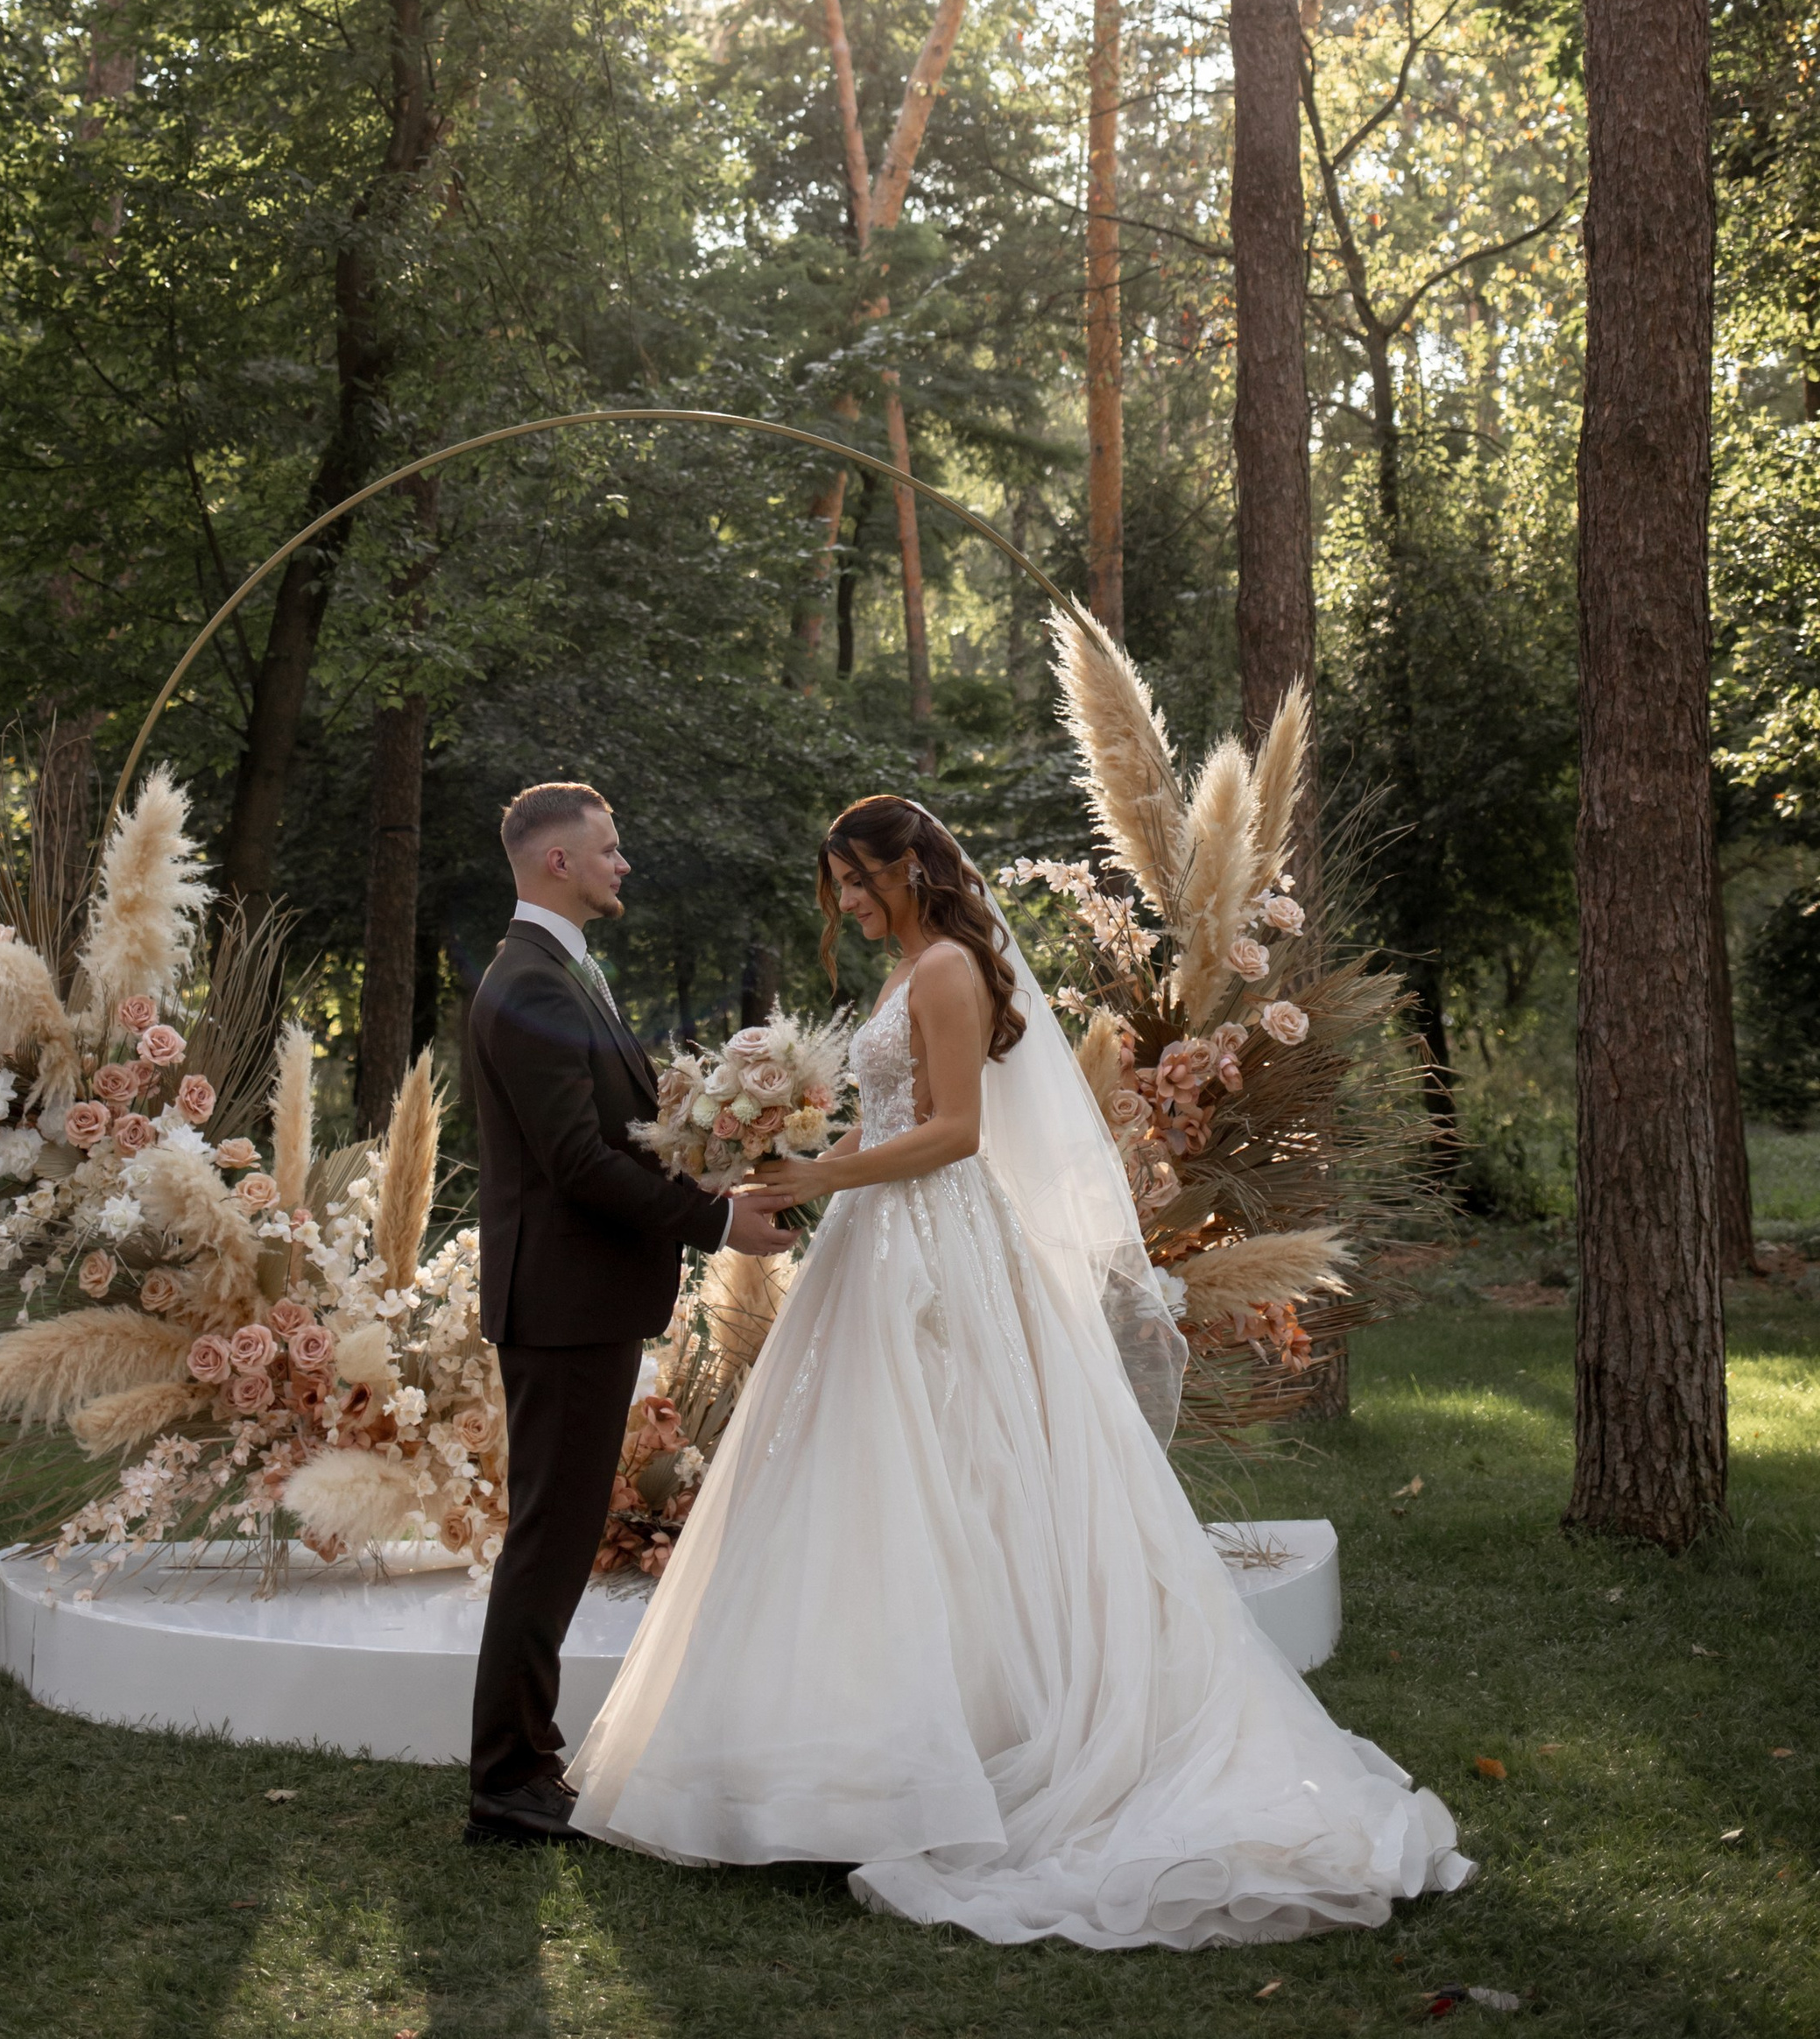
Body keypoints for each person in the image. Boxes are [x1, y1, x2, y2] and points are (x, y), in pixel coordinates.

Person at [568, 794, 1472, 1951]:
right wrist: (800, 1165)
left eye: (857, 879)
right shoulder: (904, 973)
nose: (845, 901)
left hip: (939, 1244)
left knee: (961, 1473)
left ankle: (979, 1738)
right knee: (865, 1485)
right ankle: (841, 1755)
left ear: (910, 867)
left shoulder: (948, 969)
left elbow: (956, 1133)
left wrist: (827, 1184)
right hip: (875, 1241)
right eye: (836, 884)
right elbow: (884, 1118)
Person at [462, 780, 787, 1848]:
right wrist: (714, 1220)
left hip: (578, 1299)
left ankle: (525, 1767)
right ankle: (509, 1782)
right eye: (608, 849)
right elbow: (574, 1164)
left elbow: (613, 1134)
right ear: (556, 862)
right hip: (561, 1304)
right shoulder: (533, 983)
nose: (623, 863)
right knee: (549, 1542)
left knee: (552, 1540)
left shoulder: (558, 971)